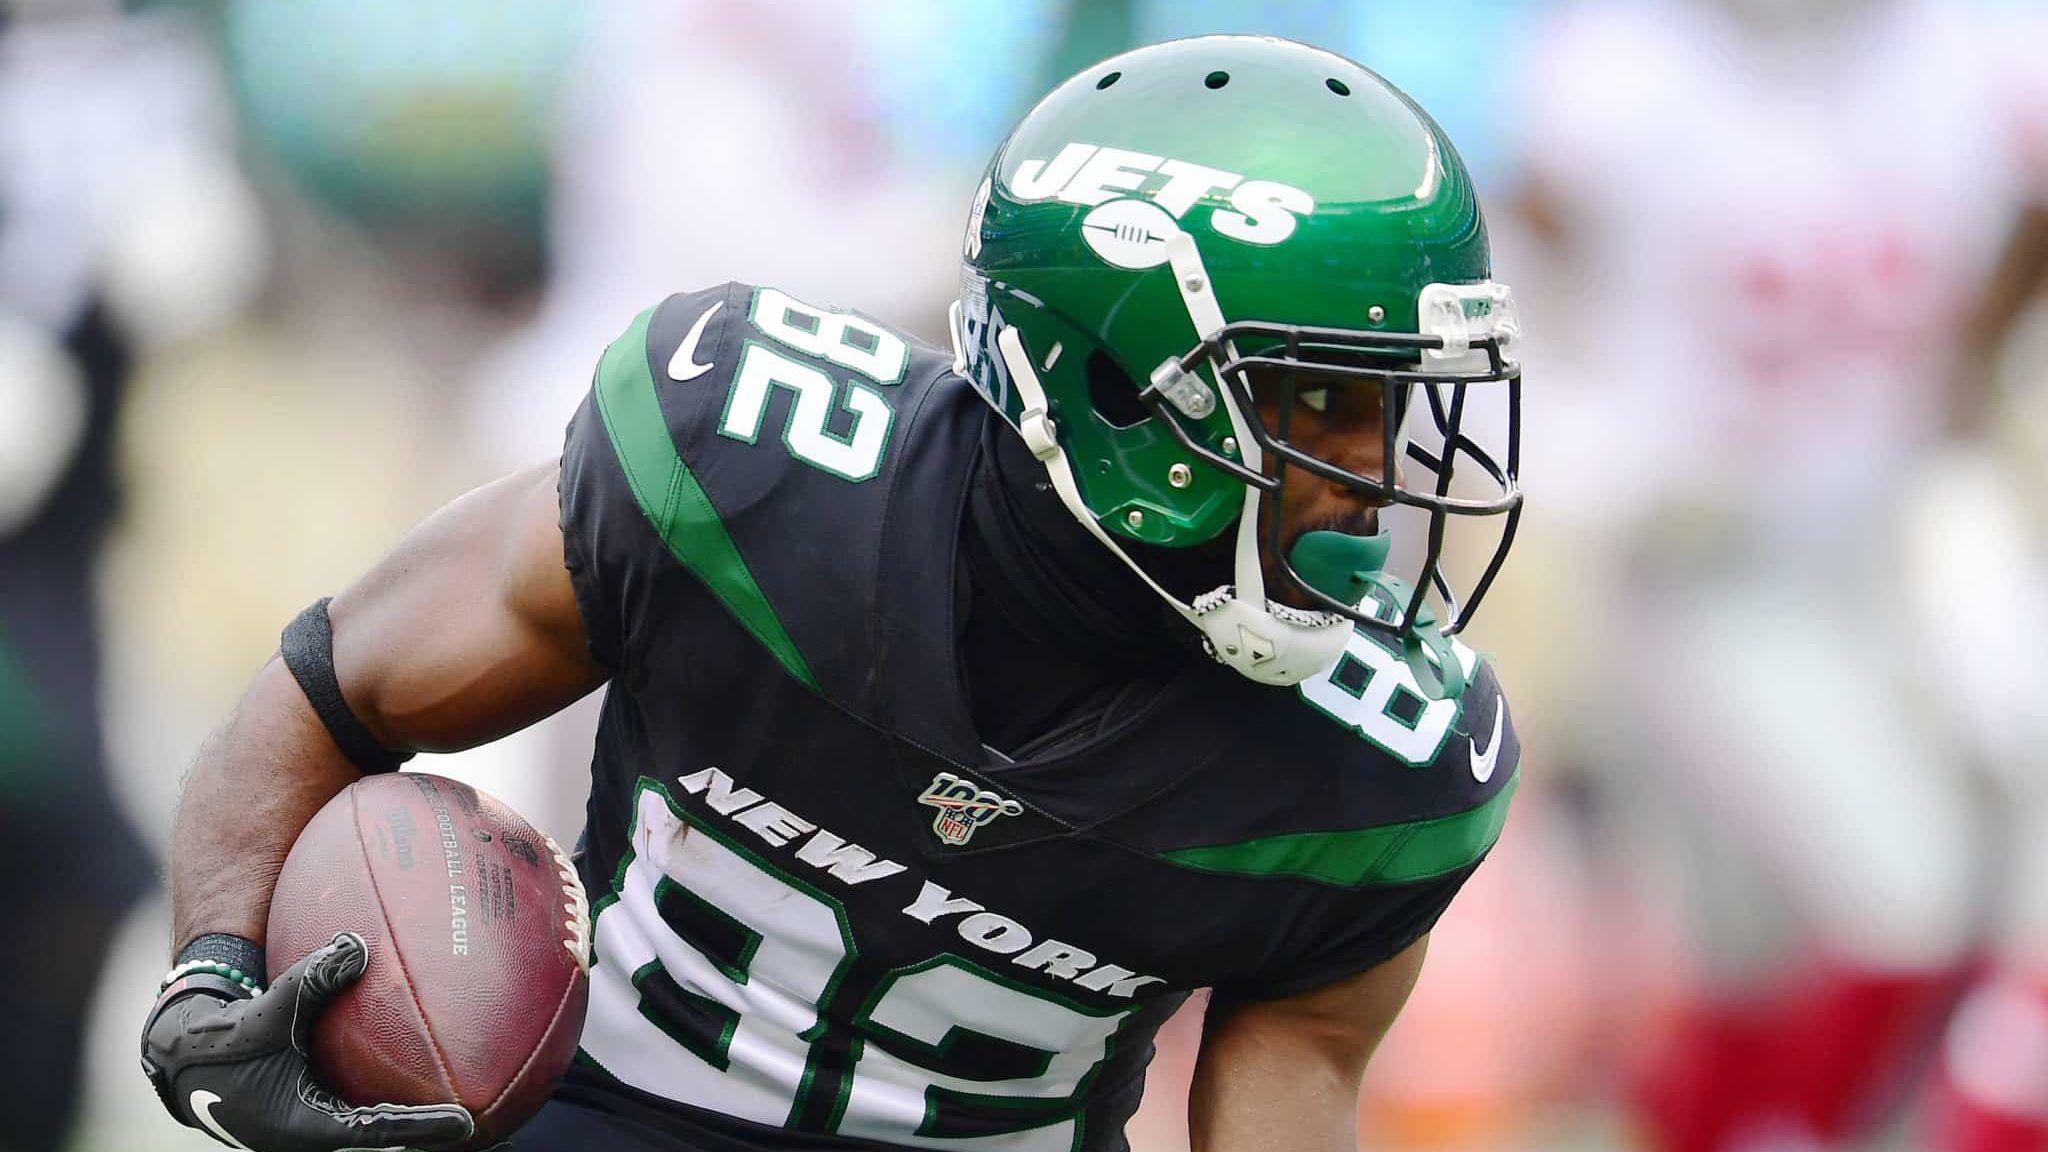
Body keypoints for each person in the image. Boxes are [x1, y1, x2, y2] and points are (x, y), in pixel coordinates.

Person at [137, 36, 1526, 1152]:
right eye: (1319, 401)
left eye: (1394, 410)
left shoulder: (1386, 761)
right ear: (1116, 385)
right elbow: (336, 687)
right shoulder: (750, 465)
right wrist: (210, 977)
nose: (1374, 477)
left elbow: (1297, 1075)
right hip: (600, 1113)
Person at [1512, 0, 2048, 1148]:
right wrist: (1586, 433)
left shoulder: (1963, 50)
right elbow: (1511, 251)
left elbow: (2025, 212)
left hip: (1896, 537)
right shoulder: (1621, 67)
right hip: (1709, 557)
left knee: (1899, 917)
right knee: (1843, 922)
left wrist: (1964, 400)